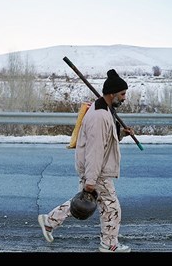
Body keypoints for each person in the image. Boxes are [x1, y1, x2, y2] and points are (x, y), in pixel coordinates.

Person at [38, 69, 133, 253]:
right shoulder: (99, 116)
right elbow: (95, 151)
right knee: (112, 208)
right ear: (112, 93)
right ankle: (109, 244)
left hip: (96, 170)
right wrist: (90, 181)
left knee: (83, 202)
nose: (124, 98)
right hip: (97, 171)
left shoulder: (106, 110)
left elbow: (105, 141)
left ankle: (49, 222)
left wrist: (121, 134)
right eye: (122, 94)